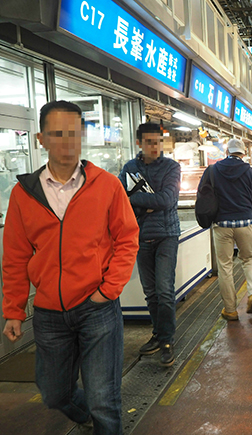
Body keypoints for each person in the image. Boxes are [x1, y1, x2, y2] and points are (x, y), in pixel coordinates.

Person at [2, 100, 139, 434]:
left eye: (74, 134)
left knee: (104, 398)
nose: (68, 143)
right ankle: (85, 418)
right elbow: (16, 256)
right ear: (41, 139)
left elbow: (127, 238)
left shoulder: (106, 185)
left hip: (97, 309)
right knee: (53, 393)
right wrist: (14, 310)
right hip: (49, 313)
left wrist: (107, 291)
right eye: (58, 134)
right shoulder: (24, 194)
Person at [118, 122, 181, 367]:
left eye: (158, 141)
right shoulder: (129, 168)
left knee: (165, 290)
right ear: (139, 143)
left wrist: (135, 199)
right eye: (149, 142)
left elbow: (166, 200)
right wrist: (145, 202)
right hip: (140, 236)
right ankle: (158, 333)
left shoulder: (171, 167)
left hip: (167, 235)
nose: (155, 147)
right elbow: (119, 196)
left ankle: (166, 340)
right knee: (151, 292)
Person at [199, 139, 252, 321]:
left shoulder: (213, 170)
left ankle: (230, 310)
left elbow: (203, 193)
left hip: (221, 224)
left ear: (227, 151)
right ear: (243, 153)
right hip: (245, 223)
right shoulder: (251, 172)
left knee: (225, 266)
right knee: (248, 258)